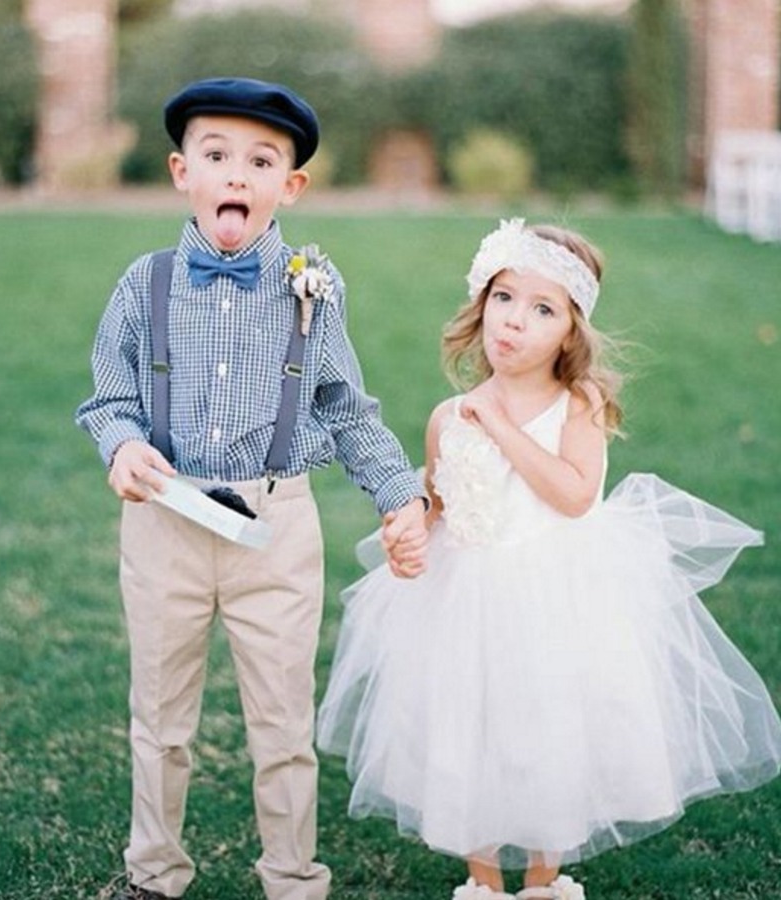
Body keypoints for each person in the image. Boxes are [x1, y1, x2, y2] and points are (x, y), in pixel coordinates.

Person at [316, 218, 781, 900]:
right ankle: (483, 882)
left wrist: (500, 424)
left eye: (542, 310)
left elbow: (572, 494)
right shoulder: (449, 416)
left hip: (555, 594)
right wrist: (407, 527)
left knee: (550, 734)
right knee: (467, 731)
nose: (514, 322)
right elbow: (438, 499)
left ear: (571, 331)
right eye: (504, 299)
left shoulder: (579, 404)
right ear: (481, 305)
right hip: (464, 597)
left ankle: (541, 879)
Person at [75, 76, 427, 900]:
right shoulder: (145, 283)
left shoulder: (313, 289)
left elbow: (346, 408)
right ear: (180, 172)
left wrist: (398, 493)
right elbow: (109, 396)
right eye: (217, 155)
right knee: (159, 720)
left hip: (278, 527)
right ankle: (153, 874)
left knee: (282, 723)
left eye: (260, 160)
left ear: (289, 186)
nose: (237, 175)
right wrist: (121, 445)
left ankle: (293, 878)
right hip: (166, 521)